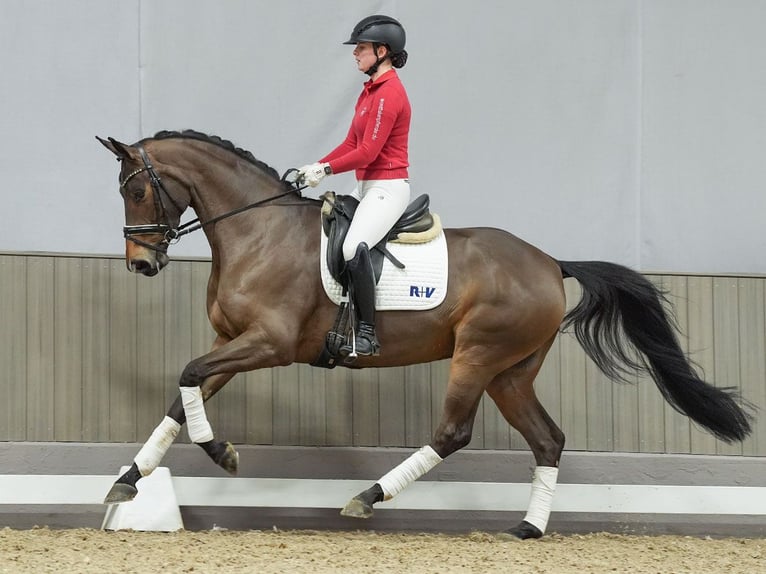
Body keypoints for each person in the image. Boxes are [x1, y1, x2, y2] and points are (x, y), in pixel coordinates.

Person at [298, 15, 411, 357]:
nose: (355, 54)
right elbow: (350, 143)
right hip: (368, 188)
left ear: (383, 51)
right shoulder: (369, 92)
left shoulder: (390, 93)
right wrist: (317, 166)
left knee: (352, 247)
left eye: (361, 48)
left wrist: (328, 169)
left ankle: (366, 333)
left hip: (388, 188)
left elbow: (367, 153)